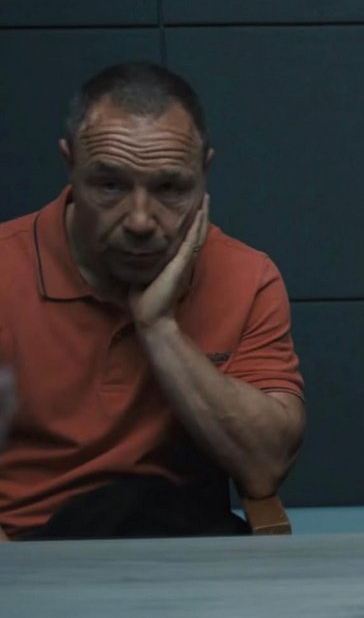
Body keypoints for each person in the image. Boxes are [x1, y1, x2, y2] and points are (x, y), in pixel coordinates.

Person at [0, 62, 306, 540]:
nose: (140, 220)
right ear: (70, 166)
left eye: (170, 188)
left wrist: (160, 328)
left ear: (204, 173)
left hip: (182, 549)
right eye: (110, 185)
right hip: (29, 548)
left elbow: (265, 467)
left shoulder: (246, 277)